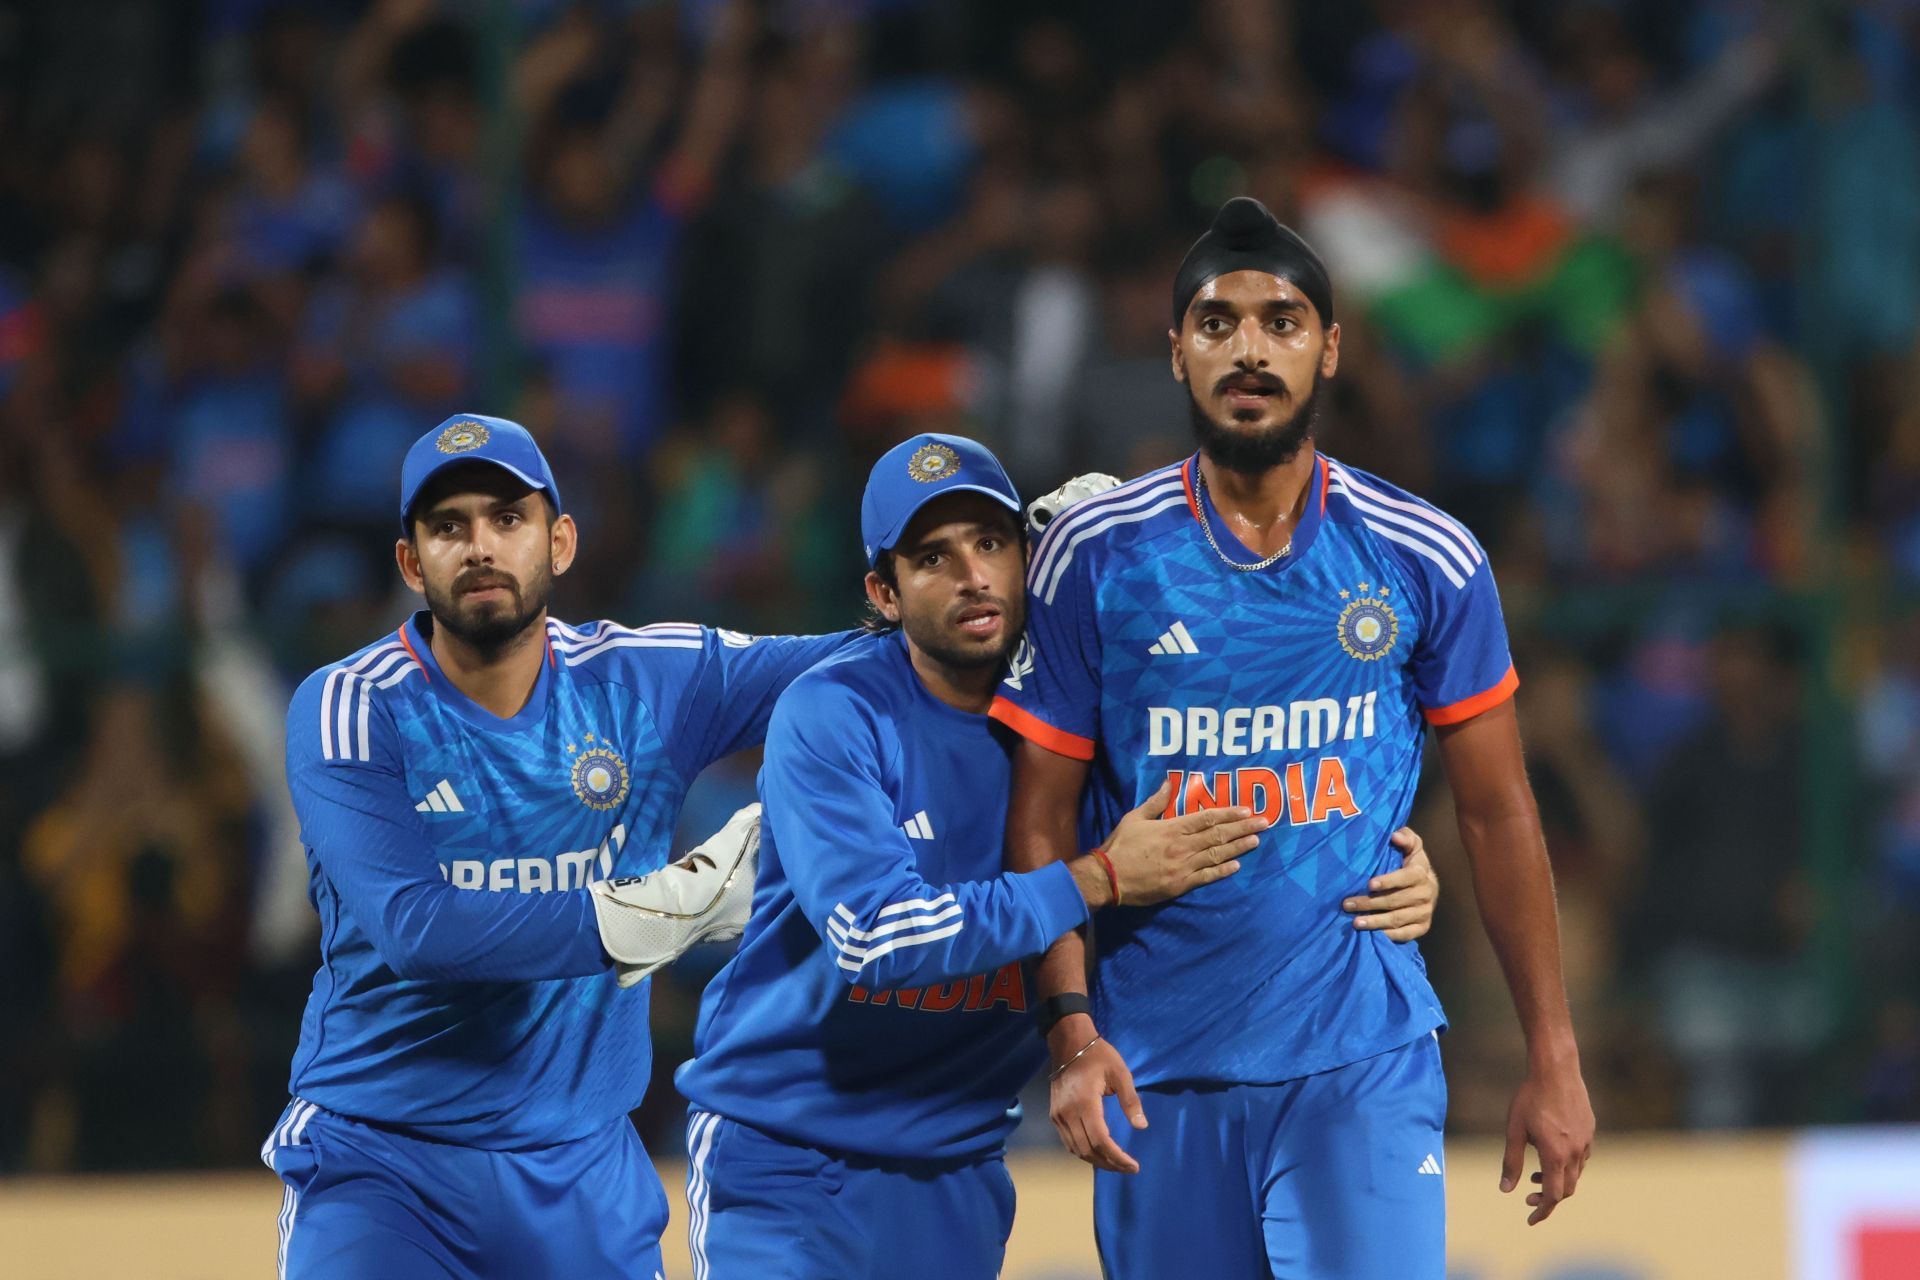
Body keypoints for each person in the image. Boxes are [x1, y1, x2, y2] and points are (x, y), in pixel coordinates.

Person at [673, 433, 1442, 1280]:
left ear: (1030, 558)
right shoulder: (837, 710)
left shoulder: (1089, 725)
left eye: (992, 544)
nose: (972, 576)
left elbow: (1248, 823)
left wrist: (1380, 870)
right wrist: (1097, 877)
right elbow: (875, 941)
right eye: (933, 557)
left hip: (957, 1167)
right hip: (789, 1157)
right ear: (883, 593)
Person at [994, 199, 1596, 1279]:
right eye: (1217, 323)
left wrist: (1554, 1054)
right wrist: (1072, 1038)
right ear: (1176, 352)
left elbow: (1500, 808)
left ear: (1330, 348)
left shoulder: (1424, 554)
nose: (1250, 347)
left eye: (1281, 320)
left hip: (1359, 1061)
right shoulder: (1096, 552)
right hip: (1156, 1070)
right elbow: (1037, 817)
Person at [266, 413, 853, 1280]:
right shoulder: (352, 706)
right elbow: (416, 930)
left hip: (585, 1177)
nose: (479, 546)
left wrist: (1044, 576)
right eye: (448, 526)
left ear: (561, 541)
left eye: (507, 519)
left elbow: (870, 664)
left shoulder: (648, 680)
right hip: (385, 1170)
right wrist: (665, 910)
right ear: (410, 562)